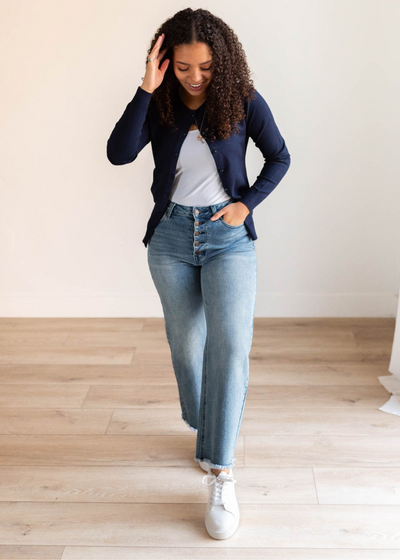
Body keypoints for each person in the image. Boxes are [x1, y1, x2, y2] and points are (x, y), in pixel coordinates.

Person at [107, 8, 291, 540]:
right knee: (187, 345)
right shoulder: (161, 101)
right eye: (183, 66)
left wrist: (245, 205)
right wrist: (146, 86)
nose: (194, 77)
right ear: (166, 61)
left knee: (230, 344)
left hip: (228, 239)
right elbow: (119, 153)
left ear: (222, 61)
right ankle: (206, 425)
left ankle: (221, 469)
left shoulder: (243, 101)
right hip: (169, 239)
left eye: (205, 67)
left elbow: (278, 157)